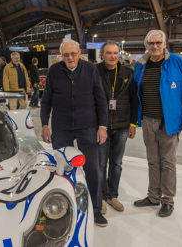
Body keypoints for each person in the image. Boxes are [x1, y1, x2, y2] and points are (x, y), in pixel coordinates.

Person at [40, 39, 109, 227]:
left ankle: (95, 209)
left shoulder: (90, 70)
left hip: (88, 126)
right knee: (62, 169)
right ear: (61, 56)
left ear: (80, 53)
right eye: (66, 55)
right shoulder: (54, 71)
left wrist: (102, 126)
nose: (70, 58)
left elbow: (101, 99)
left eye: (73, 54)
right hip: (61, 127)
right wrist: (44, 124)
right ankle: (62, 207)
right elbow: (46, 100)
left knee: (93, 169)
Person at [133, 30, 182, 217]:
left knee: (168, 162)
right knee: (152, 161)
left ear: (164, 43)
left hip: (169, 123)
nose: (155, 46)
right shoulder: (141, 65)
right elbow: (135, 94)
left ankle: (167, 200)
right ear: (146, 45)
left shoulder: (177, 63)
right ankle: (153, 196)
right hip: (147, 121)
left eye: (158, 43)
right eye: (151, 43)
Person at [96, 41, 138, 214]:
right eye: (109, 53)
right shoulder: (95, 72)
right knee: (100, 164)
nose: (113, 56)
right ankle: (100, 197)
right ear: (102, 55)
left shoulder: (128, 72)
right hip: (101, 126)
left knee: (116, 164)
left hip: (121, 125)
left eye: (115, 53)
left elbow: (134, 99)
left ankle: (113, 195)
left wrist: (133, 123)